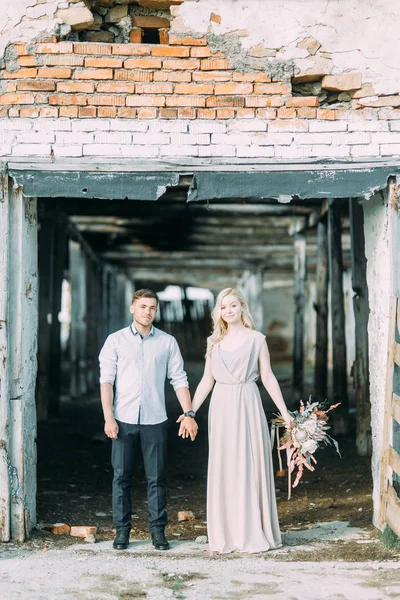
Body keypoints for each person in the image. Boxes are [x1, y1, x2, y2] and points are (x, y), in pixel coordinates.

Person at [178, 288, 292, 554]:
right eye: (223, 307)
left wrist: (285, 413)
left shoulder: (256, 339)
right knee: (226, 465)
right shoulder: (213, 342)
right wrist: (190, 411)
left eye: (232, 305)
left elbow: (268, 378)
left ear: (242, 307)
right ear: (218, 312)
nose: (228, 311)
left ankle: (252, 531)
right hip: (221, 406)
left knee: (249, 464)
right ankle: (227, 533)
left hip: (248, 402)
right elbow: (207, 379)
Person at [99, 288, 198, 551]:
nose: (148, 312)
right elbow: (106, 381)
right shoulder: (115, 340)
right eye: (143, 306)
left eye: (152, 307)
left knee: (157, 477)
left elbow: (179, 379)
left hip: (155, 419)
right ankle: (122, 532)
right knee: (121, 477)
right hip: (123, 419)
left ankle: (157, 531)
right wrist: (109, 417)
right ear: (133, 308)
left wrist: (188, 413)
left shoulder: (167, 342)